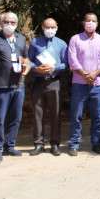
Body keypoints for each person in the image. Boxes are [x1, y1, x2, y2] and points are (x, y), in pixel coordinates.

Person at [0, 12, 30, 160]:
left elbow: (26, 59)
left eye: (13, 22)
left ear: (17, 25)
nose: (9, 25)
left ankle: (10, 146)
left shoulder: (20, 39)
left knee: (16, 117)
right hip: (0, 85)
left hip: (18, 85)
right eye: (6, 22)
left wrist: (27, 67)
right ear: (1, 23)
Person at [67, 12, 100, 156]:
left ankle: (96, 143)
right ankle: (74, 143)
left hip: (98, 85)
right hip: (80, 84)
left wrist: (94, 74)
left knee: (98, 117)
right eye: (88, 20)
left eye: (94, 21)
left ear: (97, 24)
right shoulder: (75, 39)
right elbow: (72, 60)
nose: (91, 23)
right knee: (76, 115)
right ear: (83, 22)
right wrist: (85, 74)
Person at [28, 18, 68, 156]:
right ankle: (38, 144)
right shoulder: (35, 42)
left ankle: (55, 144)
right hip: (39, 81)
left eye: (52, 27)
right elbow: (29, 61)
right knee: (38, 113)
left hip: (54, 81)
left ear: (56, 28)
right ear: (42, 27)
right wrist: (36, 68)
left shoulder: (61, 44)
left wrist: (54, 67)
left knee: (55, 113)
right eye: (47, 27)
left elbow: (66, 64)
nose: (50, 29)